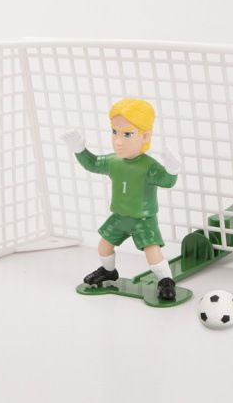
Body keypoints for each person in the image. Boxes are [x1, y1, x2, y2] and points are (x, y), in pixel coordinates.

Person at [61, 98, 181, 300]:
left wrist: (172, 169)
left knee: (152, 251)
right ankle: (108, 271)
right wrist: (79, 149)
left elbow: (167, 181)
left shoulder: (148, 166)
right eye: (114, 132)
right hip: (119, 217)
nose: (118, 140)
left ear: (144, 136)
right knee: (104, 245)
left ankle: (165, 280)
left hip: (143, 219)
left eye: (127, 134)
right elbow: (93, 164)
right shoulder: (114, 161)